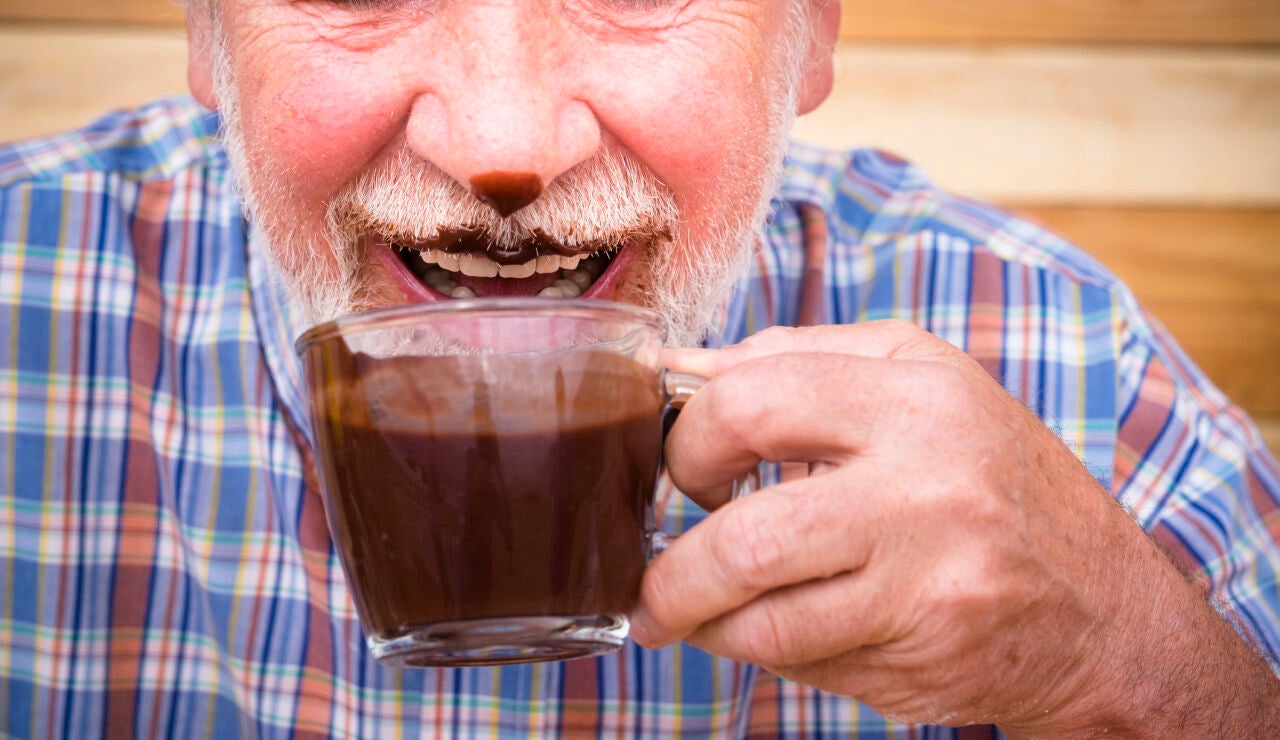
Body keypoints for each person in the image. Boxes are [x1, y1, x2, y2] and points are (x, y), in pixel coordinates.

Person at [1, 0, 1276, 735]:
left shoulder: (1060, 361)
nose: (502, 146)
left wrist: (1121, 663)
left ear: (809, 29)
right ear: (207, 30)